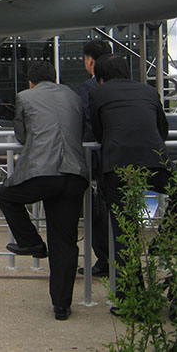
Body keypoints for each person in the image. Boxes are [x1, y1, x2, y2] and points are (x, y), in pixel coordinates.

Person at [0, 61, 88, 321]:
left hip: (43, 173)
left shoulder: (25, 97)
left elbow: (23, 136)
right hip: (74, 173)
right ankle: (61, 306)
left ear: (30, 82)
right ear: (55, 79)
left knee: (5, 195)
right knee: (65, 241)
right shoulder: (73, 95)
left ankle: (31, 242)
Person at [89, 53, 177, 311]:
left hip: (117, 167)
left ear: (101, 78)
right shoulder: (149, 92)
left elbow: (98, 130)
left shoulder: (98, 94)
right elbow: (162, 130)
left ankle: (132, 301)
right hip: (156, 161)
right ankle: (164, 239)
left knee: (124, 234)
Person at [77, 39, 113, 278]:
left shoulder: (89, 88)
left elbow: (88, 125)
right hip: (120, 158)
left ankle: (104, 259)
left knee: (96, 214)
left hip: (98, 160)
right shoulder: (127, 85)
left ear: (90, 61)